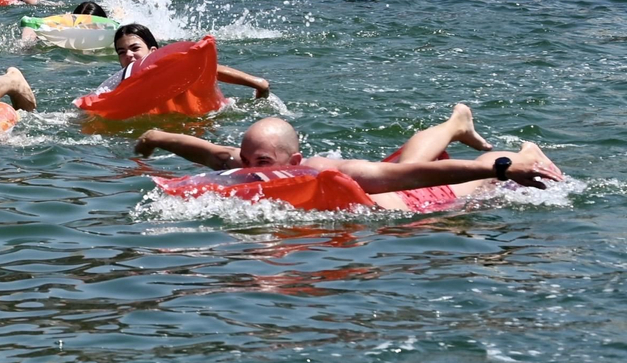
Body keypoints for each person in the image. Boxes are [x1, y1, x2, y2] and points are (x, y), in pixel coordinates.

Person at [133, 109, 563, 208]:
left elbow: (414, 175)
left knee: (476, 182)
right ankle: (455, 122)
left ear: (294, 158)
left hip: (412, 198)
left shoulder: (326, 171)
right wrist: (154, 137)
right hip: (394, 175)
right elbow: (209, 154)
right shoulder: (249, 164)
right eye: (246, 159)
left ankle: (525, 151)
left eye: (260, 162)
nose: (248, 169)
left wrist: (504, 167)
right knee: (401, 162)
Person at [97, 23, 267, 99]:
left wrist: (256, 83)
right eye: (121, 52)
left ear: (153, 51)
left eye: (135, 48)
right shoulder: (118, 82)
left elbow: (205, 68)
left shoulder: (169, 65)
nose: (128, 55)